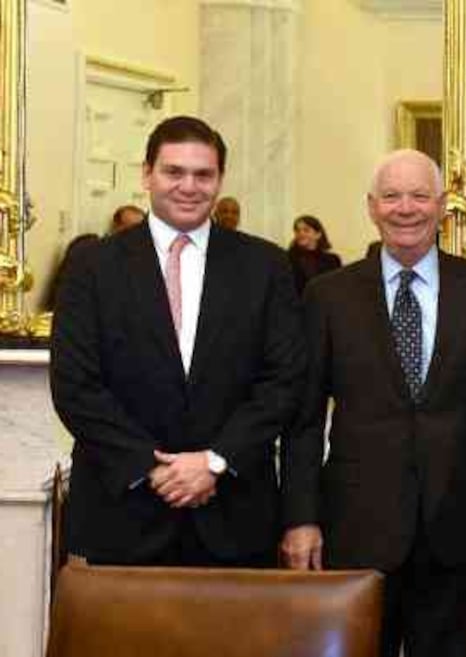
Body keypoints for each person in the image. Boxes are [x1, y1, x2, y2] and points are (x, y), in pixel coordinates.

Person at [281, 149, 466, 657]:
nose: (405, 208)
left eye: (418, 196)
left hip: (456, 524)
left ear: (442, 207)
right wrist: (301, 517)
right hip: (356, 526)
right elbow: (305, 418)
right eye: (391, 196)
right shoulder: (329, 296)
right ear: (370, 208)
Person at [50, 115, 305, 567]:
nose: (189, 186)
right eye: (174, 172)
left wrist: (214, 461)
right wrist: (153, 468)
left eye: (203, 174)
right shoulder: (92, 268)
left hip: (234, 518)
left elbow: (282, 381)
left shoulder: (265, 267)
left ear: (220, 180)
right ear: (146, 174)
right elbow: (75, 386)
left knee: (235, 642)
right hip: (122, 517)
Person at [287, 214, 341, 294]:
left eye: (306, 230)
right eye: (297, 230)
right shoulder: (288, 258)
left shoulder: (333, 260)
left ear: (318, 235)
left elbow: (336, 287)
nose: (301, 234)